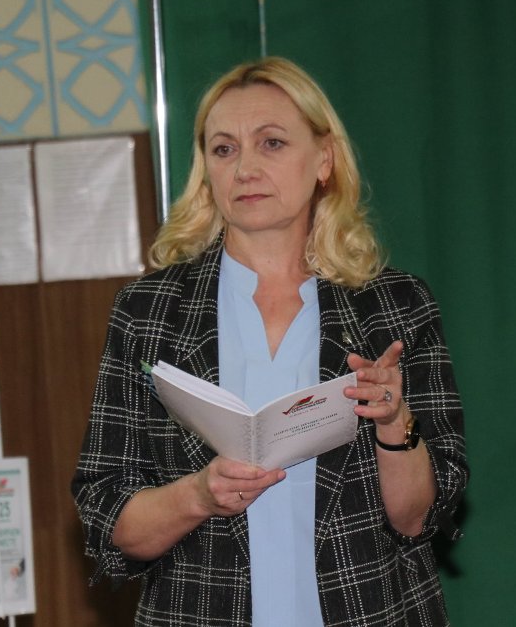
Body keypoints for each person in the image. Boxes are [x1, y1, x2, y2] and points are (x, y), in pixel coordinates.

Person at [72, 56, 468, 626]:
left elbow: (417, 520)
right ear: (206, 170)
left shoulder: (395, 306)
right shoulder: (149, 312)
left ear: (324, 159)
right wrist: (198, 496)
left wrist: (392, 423)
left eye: (272, 143)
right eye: (224, 149)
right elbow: (107, 516)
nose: (245, 168)